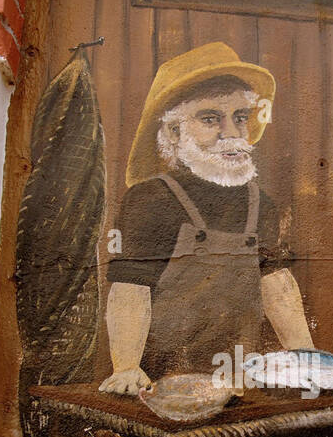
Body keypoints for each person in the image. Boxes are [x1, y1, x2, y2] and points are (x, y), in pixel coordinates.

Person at [99, 42, 314, 394]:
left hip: (238, 385)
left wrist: (308, 359)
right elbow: (130, 288)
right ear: (173, 131)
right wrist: (126, 367)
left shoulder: (263, 204)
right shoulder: (150, 199)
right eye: (210, 118)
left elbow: (278, 288)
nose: (231, 132)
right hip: (160, 384)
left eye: (240, 118)